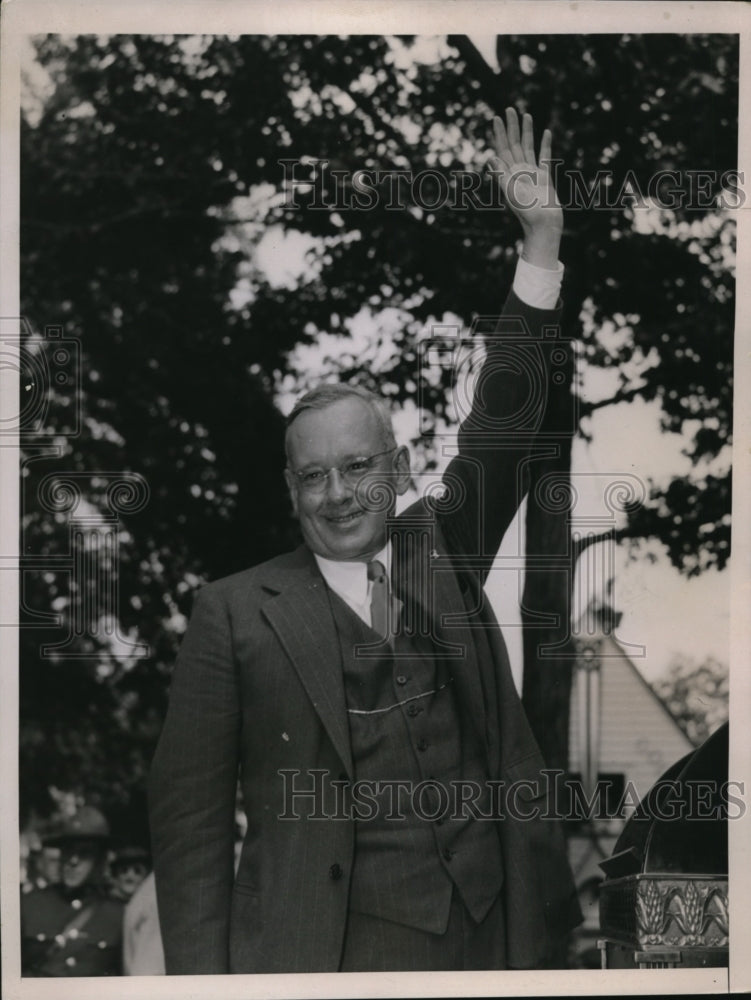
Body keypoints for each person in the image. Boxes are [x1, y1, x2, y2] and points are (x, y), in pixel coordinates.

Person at [149, 108, 582, 973]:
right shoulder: (231, 615)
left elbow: (500, 426)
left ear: (397, 466)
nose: (338, 493)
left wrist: (539, 247)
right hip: (327, 959)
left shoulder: (439, 548)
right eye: (313, 476)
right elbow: (189, 825)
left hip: (491, 941)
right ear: (291, 489)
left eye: (356, 466)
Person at [20, 806, 125, 976]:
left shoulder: (118, 914)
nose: (73, 861)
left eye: (84, 853)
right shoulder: (28, 904)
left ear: (100, 861)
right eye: (68, 851)